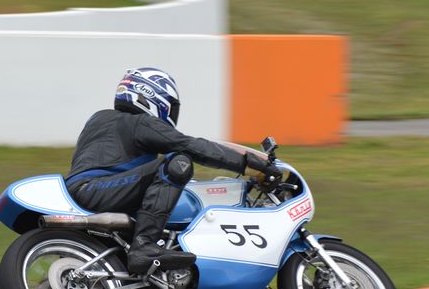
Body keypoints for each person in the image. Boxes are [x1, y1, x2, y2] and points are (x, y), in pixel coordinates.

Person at [65, 67, 282, 274]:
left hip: (90, 190)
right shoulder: (139, 122)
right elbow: (191, 146)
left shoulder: (100, 119)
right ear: (150, 94)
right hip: (98, 188)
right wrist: (250, 164)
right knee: (178, 163)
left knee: (178, 179)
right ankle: (144, 245)